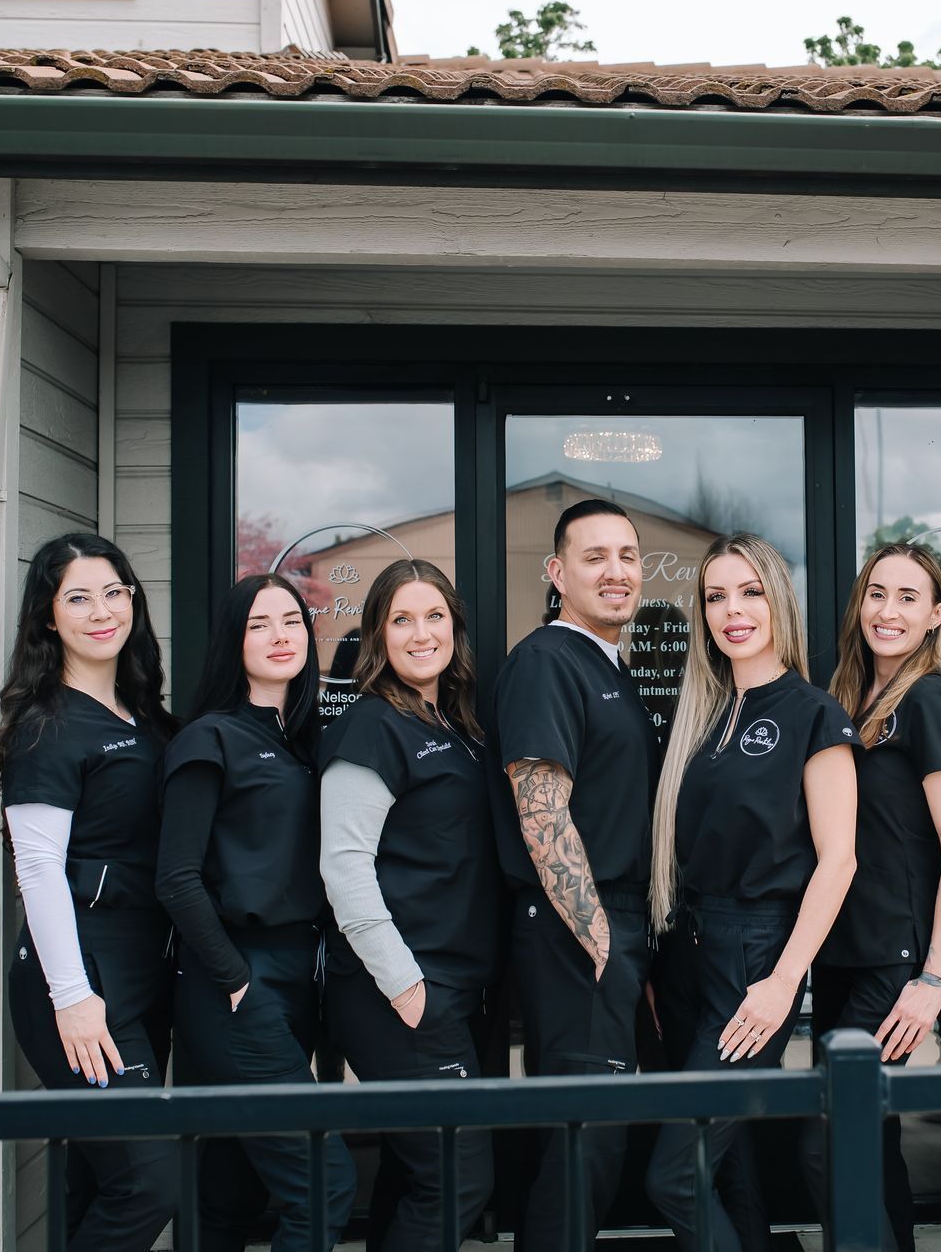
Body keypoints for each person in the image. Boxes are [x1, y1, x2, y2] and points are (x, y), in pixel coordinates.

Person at [643, 532, 859, 1252]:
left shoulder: (813, 714)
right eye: (715, 597)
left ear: (778, 600)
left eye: (749, 592)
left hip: (754, 958)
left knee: (674, 1176)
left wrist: (782, 983)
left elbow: (838, 863)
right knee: (727, 1169)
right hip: (688, 953)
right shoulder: (703, 716)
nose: (732, 611)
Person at [0, 533, 179, 1250]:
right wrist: (73, 998)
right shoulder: (47, 726)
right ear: (48, 618)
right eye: (78, 597)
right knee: (150, 1177)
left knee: (98, 1181)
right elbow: (36, 870)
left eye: (114, 593)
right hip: (83, 986)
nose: (102, 611)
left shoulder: (142, 716)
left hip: (140, 975)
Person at [154, 573, 356, 1250]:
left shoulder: (301, 741)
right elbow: (176, 879)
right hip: (236, 982)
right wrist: (236, 980)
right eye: (260, 624)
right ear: (232, 642)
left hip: (292, 980)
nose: (280, 636)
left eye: (293, 622)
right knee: (325, 1186)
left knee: (230, 1193)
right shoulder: (209, 739)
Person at [490, 498, 658, 1247]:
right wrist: (599, 938)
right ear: (557, 572)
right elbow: (542, 812)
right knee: (584, 1140)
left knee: (596, 1137)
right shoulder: (546, 662)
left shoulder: (608, 663)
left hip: (615, 921)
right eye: (595, 557)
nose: (616, 571)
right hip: (576, 927)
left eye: (627, 555)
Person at [320, 559, 500, 1249]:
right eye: (402, 619)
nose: (421, 634)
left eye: (434, 617)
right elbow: (344, 868)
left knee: (414, 1174)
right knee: (459, 1177)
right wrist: (405, 987)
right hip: (401, 991)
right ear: (377, 634)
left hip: (451, 985)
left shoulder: (453, 723)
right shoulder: (372, 726)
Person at [802, 542, 941, 1252]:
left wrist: (932, 977)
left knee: (832, 1146)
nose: (888, 610)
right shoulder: (847, 698)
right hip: (843, 957)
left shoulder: (930, 702)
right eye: (878, 593)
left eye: (909, 598)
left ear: (936, 616)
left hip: (893, 962)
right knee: (870, 1142)